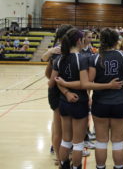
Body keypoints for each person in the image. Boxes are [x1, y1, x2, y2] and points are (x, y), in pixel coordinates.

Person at [80, 28, 123, 169]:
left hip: (100, 103)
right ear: (117, 40)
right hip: (121, 103)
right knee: (117, 141)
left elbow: (89, 83)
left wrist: (102, 88)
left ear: (102, 40)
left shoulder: (95, 58)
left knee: (101, 141)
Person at [48, 28, 89, 169]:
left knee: (66, 140)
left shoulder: (59, 59)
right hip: (79, 101)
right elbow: (84, 83)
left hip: (64, 102)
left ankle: (64, 166)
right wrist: (67, 84)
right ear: (79, 41)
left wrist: (65, 90)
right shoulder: (82, 59)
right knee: (77, 143)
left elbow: (53, 81)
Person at [42, 24, 74, 166]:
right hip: (58, 91)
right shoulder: (59, 51)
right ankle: (60, 157)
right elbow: (50, 76)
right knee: (59, 129)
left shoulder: (63, 50)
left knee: (59, 125)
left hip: (60, 90)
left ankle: (61, 154)